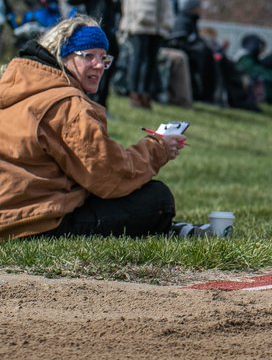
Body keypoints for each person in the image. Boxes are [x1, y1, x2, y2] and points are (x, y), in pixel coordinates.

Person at [0, 16, 185, 239]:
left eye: (103, 58)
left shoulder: (14, 88)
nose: (99, 66)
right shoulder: (67, 104)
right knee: (158, 200)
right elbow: (110, 176)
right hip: (31, 222)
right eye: (88, 56)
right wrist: (158, 148)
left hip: (8, 213)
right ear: (63, 56)